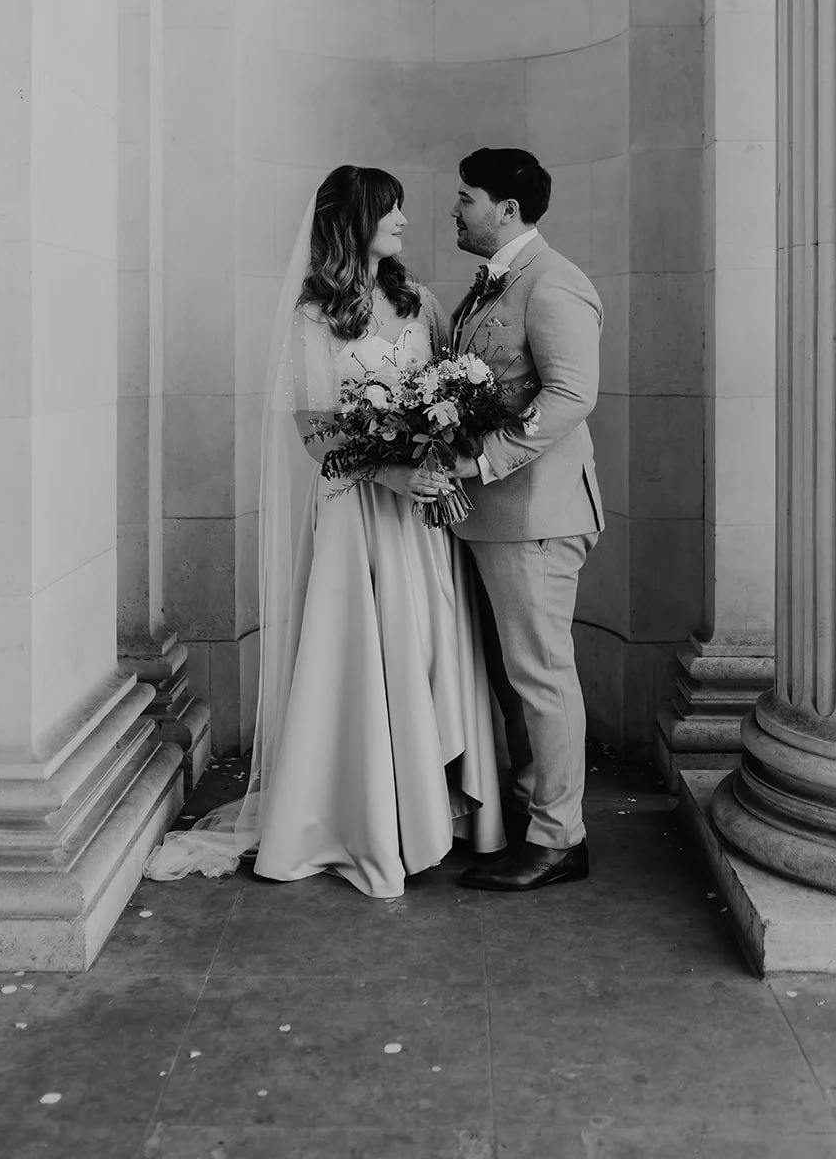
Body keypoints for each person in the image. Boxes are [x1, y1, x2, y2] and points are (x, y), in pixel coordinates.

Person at [209, 164, 505, 899]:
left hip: (418, 513)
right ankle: (367, 819)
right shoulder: (313, 317)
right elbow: (315, 434)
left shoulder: (421, 303)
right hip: (354, 509)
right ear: (354, 222)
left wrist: (433, 466)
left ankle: (437, 806)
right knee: (365, 658)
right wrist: (391, 474)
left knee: (430, 644)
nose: (405, 218)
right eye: (390, 208)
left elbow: (445, 399)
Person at [448, 148, 603, 893]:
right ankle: (529, 811)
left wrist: (479, 462)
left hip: (535, 514)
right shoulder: (491, 285)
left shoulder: (553, 282)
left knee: (540, 677)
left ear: (506, 209)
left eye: (467, 197)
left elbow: (571, 395)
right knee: (515, 680)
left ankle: (557, 837)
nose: (456, 208)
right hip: (494, 518)